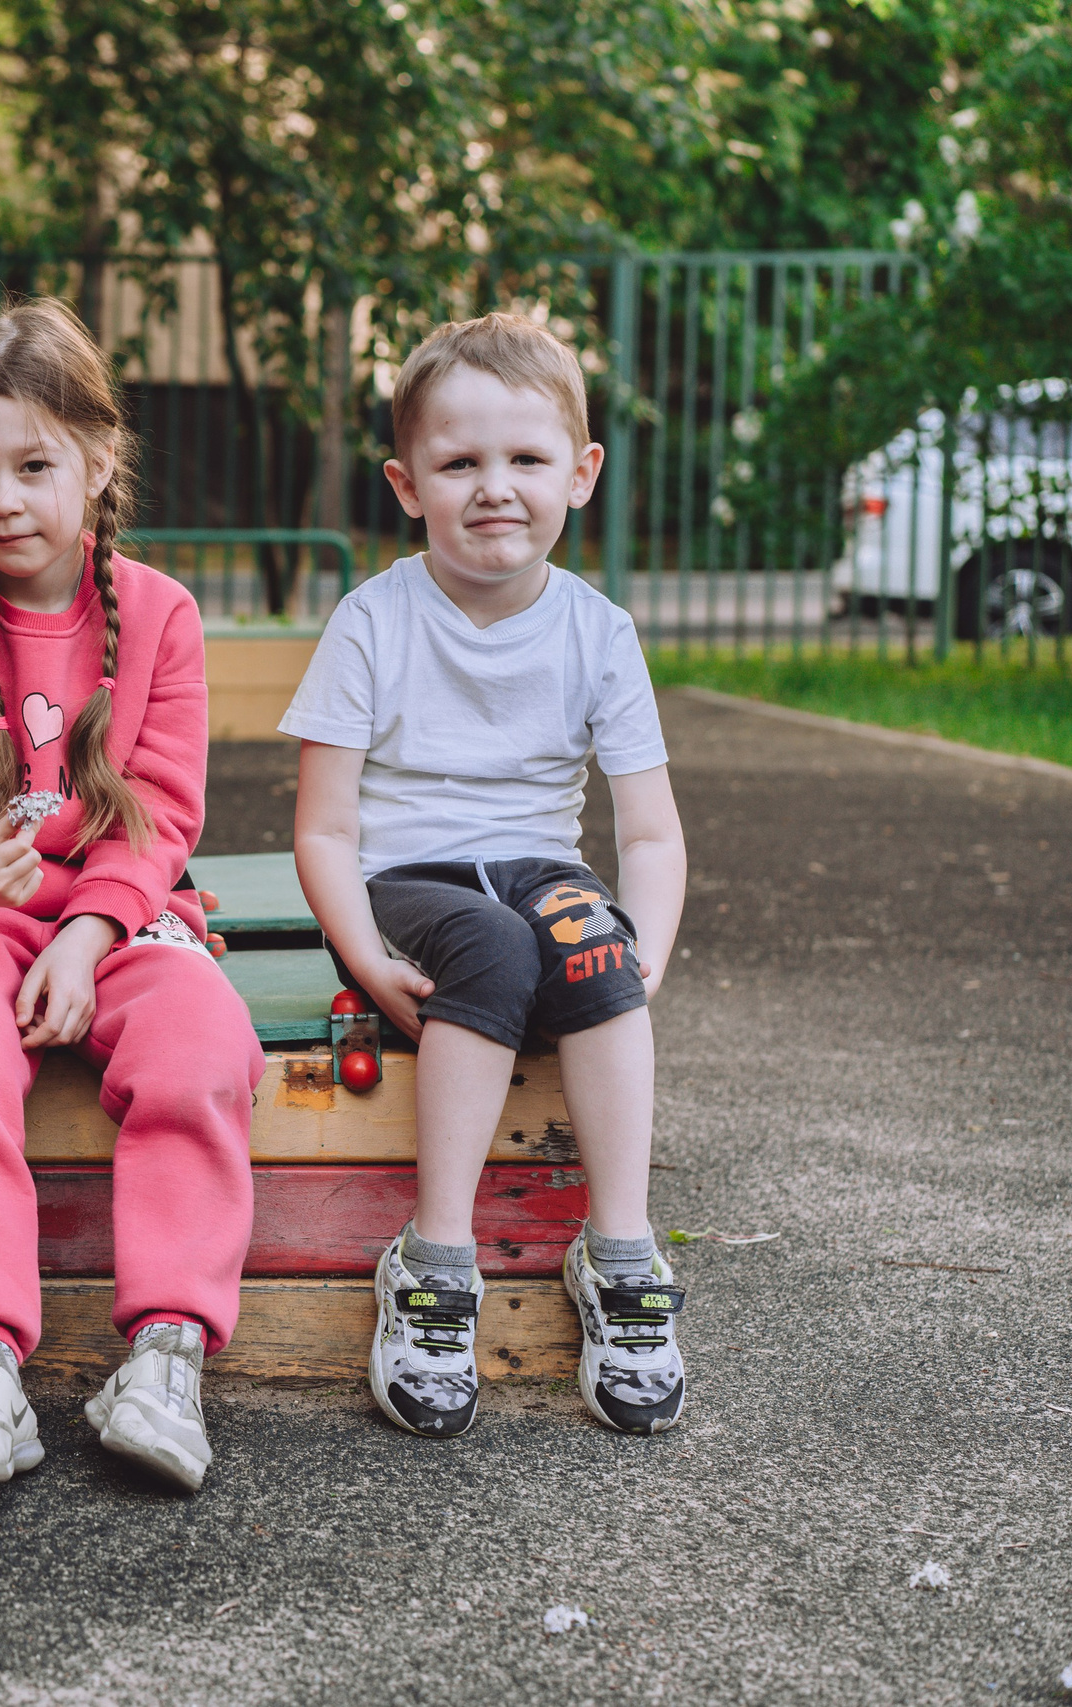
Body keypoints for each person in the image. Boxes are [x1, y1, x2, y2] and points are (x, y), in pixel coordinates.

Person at [0, 299, 263, 1493]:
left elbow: (159, 814)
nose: (4, 500)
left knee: (201, 1046)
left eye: (34, 466)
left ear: (96, 457)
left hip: (122, 917)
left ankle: (166, 1355)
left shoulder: (161, 615)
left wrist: (85, 937)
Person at [283, 311, 691, 1440]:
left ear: (581, 472)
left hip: (538, 867)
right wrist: (362, 953)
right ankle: (437, 1262)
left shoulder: (598, 632)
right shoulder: (372, 620)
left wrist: (640, 953)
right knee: (497, 948)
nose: (493, 487)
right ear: (407, 485)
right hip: (405, 882)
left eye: (524, 459)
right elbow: (321, 828)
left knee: (588, 941)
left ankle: (619, 1254)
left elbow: (648, 835)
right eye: (458, 463)